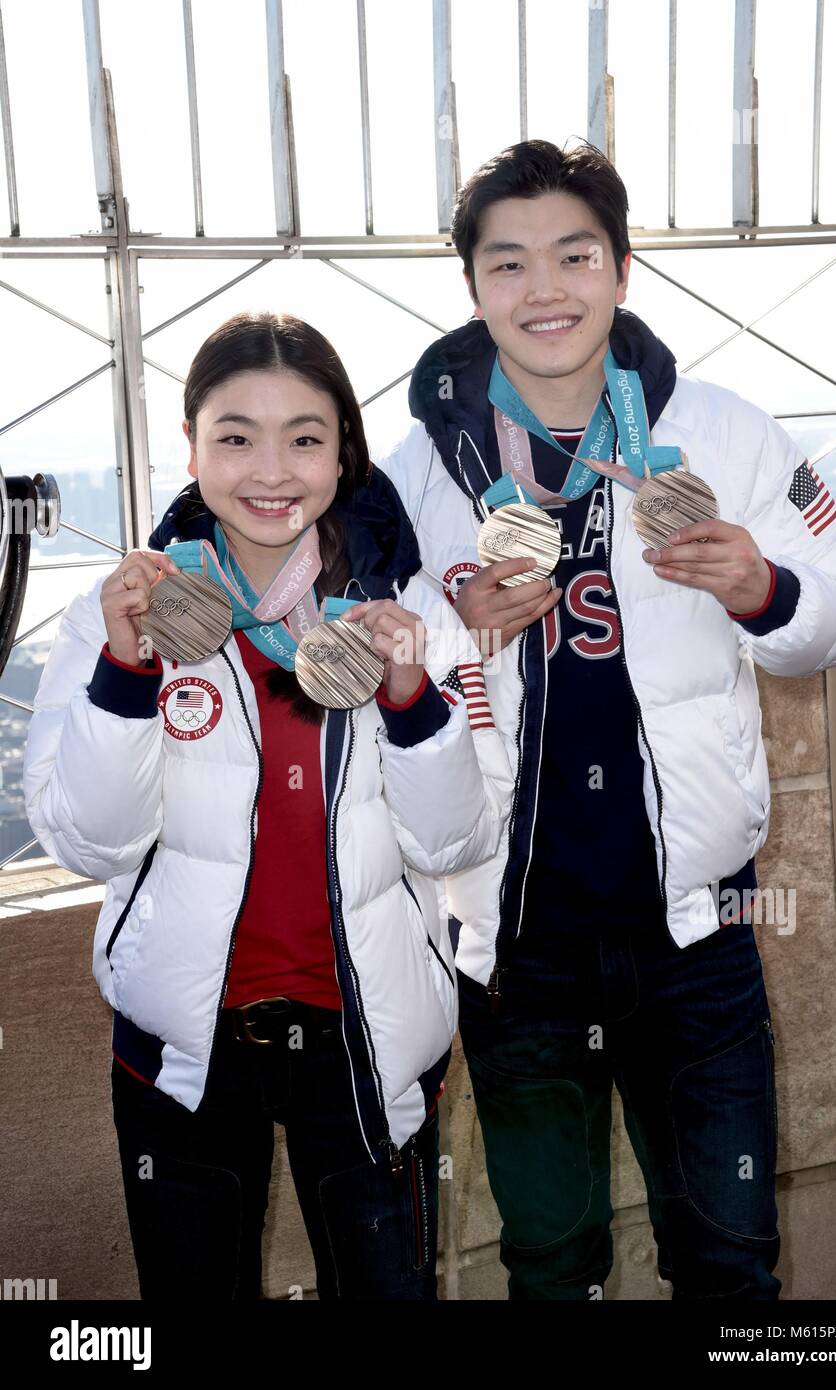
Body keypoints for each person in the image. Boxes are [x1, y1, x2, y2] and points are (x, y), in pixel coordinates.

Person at [376, 140, 836, 1300]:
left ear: (621, 268)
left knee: (732, 1254)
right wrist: (456, 625)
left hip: (695, 935)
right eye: (508, 263)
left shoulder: (724, 427)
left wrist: (761, 586)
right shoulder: (412, 473)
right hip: (514, 946)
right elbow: (367, 675)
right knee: (552, 1264)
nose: (542, 289)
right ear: (471, 287)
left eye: (572, 255)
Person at [22, 311, 512, 1301]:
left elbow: (461, 835)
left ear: (342, 457)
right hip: (185, 1049)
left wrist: (412, 696)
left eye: (305, 438)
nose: (270, 471)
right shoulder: (121, 613)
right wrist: (127, 672)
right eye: (235, 437)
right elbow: (88, 840)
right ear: (192, 450)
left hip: (370, 1041)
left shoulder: (409, 614)